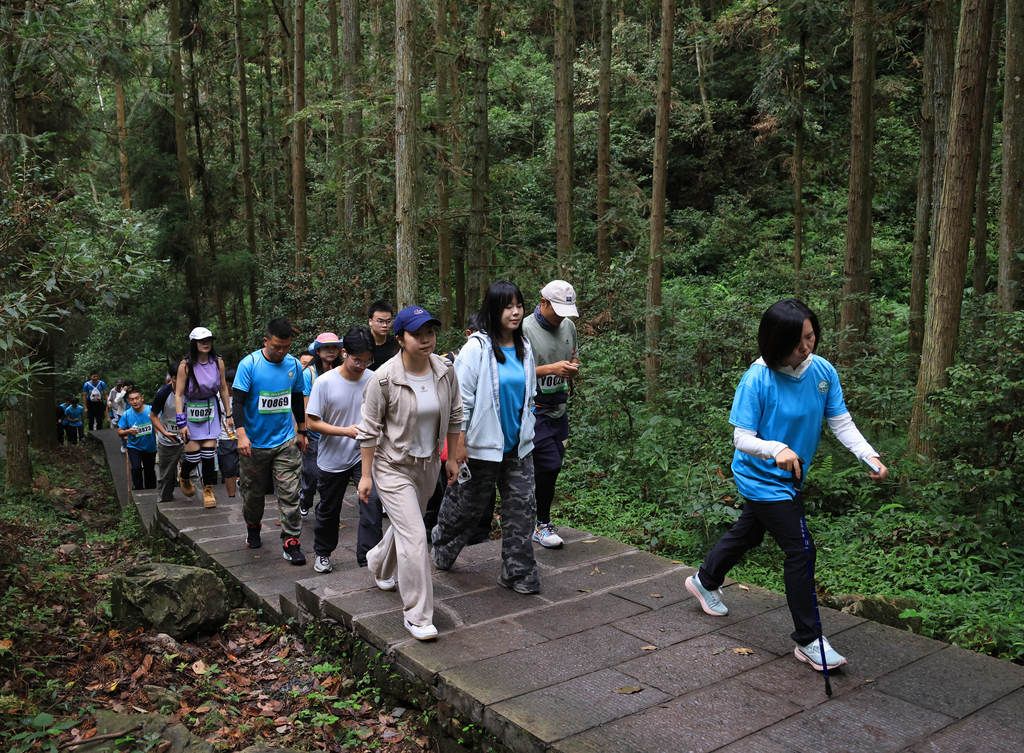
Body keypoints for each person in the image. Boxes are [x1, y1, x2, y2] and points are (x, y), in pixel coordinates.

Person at [685, 298, 889, 672]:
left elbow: (840, 421)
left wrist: (868, 455)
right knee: (801, 549)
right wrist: (776, 448)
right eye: (797, 342)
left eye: (810, 337)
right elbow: (742, 438)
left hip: (791, 478)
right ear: (776, 342)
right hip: (759, 477)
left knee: (749, 532)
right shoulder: (757, 379)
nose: (806, 347)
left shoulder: (822, 371)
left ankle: (705, 579)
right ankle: (809, 640)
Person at [356, 305, 464, 640]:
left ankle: (378, 561)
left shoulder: (445, 371)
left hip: (428, 464)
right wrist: (366, 475)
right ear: (401, 338)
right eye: (417, 334)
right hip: (393, 466)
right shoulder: (383, 378)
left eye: (430, 332)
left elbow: (455, 414)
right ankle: (417, 615)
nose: (426, 339)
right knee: (416, 536)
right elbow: (369, 430)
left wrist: (451, 458)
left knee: (407, 527)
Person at [432, 281, 541, 594]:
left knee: (522, 510)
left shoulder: (525, 347)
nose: (515, 312)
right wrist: (459, 444)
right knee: (466, 508)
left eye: (519, 305)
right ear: (493, 310)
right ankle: (442, 545)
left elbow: (529, 395)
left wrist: (529, 427)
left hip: (518, 447)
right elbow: (461, 401)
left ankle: (518, 573)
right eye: (507, 306)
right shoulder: (476, 348)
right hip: (479, 449)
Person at [232, 317, 309, 564]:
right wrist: (241, 434)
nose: (281, 352)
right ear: (266, 341)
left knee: (290, 493)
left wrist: (302, 430)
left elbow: (296, 397)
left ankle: (291, 541)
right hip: (254, 443)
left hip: (285, 441)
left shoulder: (293, 365)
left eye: (286, 347)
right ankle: (253, 526)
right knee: (253, 496)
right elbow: (238, 402)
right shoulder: (250, 364)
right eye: (277, 346)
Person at [305, 327, 375, 574]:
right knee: (329, 509)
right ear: (345, 353)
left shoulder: (373, 379)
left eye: (367, 361)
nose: (362, 366)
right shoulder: (325, 383)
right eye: (357, 360)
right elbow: (312, 423)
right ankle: (323, 552)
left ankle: (368, 558)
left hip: (363, 454)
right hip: (332, 458)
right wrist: (345, 431)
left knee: (371, 504)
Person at [521, 279, 580, 549]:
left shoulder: (569, 327)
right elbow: (515, 372)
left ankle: (537, 520)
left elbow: (574, 355)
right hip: (534, 409)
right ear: (543, 303)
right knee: (549, 464)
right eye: (557, 311)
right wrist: (551, 369)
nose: (560, 318)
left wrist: (572, 367)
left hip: (559, 407)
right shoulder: (524, 329)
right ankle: (539, 524)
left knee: (552, 469)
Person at [174, 327, 234, 509]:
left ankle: (208, 490)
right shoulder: (185, 365)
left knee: (208, 454)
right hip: (191, 409)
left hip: (210, 409)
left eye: (208, 340)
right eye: (201, 341)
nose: (206, 343)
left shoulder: (217, 362)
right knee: (193, 457)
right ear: (194, 343)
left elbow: (223, 388)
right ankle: (184, 476)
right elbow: (179, 394)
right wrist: (181, 422)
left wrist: (228, 413)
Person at [300, 332, 344, 516]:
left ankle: (324, 509)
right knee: (311, 473)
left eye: (334, 347)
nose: (331, 351)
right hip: (315, 434)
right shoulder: (309, 374)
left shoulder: (343, 371)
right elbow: (306, 406)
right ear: (318, 351)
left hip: (338, 431)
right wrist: (304, 432)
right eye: (326, 348)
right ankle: (305, 498)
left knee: (331, 477)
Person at [151, 369, 190, 502]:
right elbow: (153, 416)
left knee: (192, 465)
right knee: (167, 473)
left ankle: (195, 492)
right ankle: (165, 498)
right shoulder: (163, 393)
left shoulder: (192, 390)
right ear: (173, 378)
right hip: (168, 438)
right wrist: (164, 432)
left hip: (188, 437)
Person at [117, 387, 157, 490]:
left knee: (149, 470)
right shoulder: (127, 414)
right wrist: (128, 431)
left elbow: (160, 423)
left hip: (150, 447)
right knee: (136, 468)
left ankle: (151, 491)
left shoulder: (151, 410)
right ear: (128, 401)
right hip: (134, 447)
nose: (134, 401)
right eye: (132, 399)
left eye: (136, 398)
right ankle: (138, 490)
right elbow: (119, 431)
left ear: (142, 398)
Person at [217, 371, 240, 497]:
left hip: (243, 436)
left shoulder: (243, 395)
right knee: (229, 469)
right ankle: (231, 497)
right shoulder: (217, 397)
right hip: (225, 437)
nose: (230, 387)